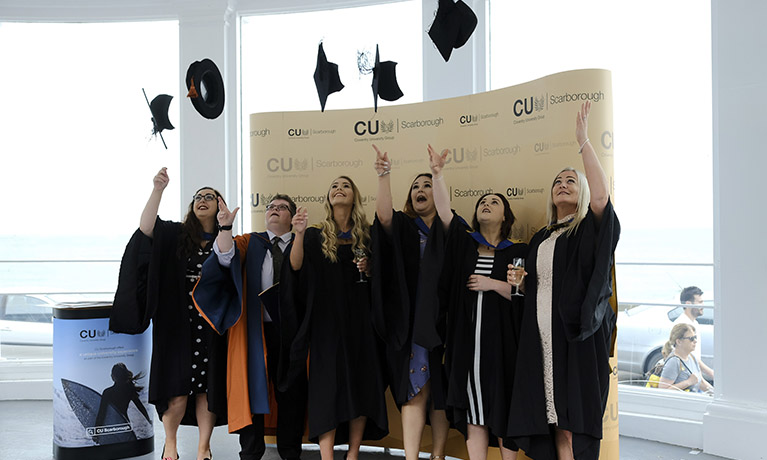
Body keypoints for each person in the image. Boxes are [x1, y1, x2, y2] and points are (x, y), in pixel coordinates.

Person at [506, 101, 620, 460]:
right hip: (540, 341)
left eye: (571, 180)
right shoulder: (541, 237)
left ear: (582, 192)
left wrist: (583, 142)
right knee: (551, 422)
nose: (563, 184)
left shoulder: (587, 228)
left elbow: (602, 198)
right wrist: (520, 285)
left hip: (576, 340)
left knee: (573, 424)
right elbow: (539, 288)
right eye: (558, 181)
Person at [111, 167, 227, 460]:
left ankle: (204, 447)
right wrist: (158, 190)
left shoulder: (224, 239)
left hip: (210, 325)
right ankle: (171, 444)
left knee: (206, 389)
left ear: (219, 206)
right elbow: (146, 228)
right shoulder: (175, 233)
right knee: (176, 388)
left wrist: (225, 227)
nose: (202, 200)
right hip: (176, 323)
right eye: (198, 197)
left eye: (209, 197)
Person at [427, 145, 527, 460]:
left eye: (494, 202)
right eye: (482, 202)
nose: (486, 204)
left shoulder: (517, 251)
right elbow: (444, 212)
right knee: (474, 410)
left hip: (503, 345)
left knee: (504, 406)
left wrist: (492, 284)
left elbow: (523, 295)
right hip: (467, 345)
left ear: (505, 215)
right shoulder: (465, 243)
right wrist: (437, 174)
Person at [192, 194, 308, 460]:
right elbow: (224, 256)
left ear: (291, 216)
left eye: (282, 208)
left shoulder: (303, 241)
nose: (274, 211)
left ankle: (290, 452)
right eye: (271, 207)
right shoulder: (251, 241)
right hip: (256, 331)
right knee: (252, 388)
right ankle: (251, 452)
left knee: (291, 393)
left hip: (293, 332)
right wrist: (225, 228)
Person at [281, 176, 388, 460]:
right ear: (328, 198)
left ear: (355, 196)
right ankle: (327, 455)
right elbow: (295, 266)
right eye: (334, 187)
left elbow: (383, 278)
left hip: (361, 322)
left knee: (361, 385)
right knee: (326, 390)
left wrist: (371, 266)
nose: (339, 189)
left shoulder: (367, 235)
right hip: (326, 325)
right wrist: (299, 234)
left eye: (346, 186)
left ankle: (353, 453)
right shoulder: (316, 234)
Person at [370, 144, 450, 460]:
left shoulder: (449, 226)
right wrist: (384, 175)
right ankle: (412, 456)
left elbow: (446, 216)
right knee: (415, 388)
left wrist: (438, 174)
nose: (420, 190)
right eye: (416, 186)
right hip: (411, 321)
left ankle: (439, 454)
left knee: (441, 392)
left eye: (427, 185)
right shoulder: (405, 226)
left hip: (444, 320)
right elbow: (384, 217)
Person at [658, 323, 713, 394]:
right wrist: (688, 382)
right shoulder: (674, 362)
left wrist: (716, 394)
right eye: (691, 338)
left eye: (695, 337)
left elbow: (701, 382)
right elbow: (662, 391)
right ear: (679, 342)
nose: (695, 341)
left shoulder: (692, 358)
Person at [673, 286, 714, 380]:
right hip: (686, 378)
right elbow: (691, 357)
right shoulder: (683, 325)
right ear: (688, 304)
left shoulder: (695, 324)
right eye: (700, 302)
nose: (703, 305)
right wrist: (711, 373)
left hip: (693, 376)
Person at [95, 363, 151, 429]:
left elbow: (102, 413)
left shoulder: (108, 392)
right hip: (125, 424)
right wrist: (149, 420)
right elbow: (140, 407)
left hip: (111, 425)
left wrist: (97, 430)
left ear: (113, 376)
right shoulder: (129, 390)